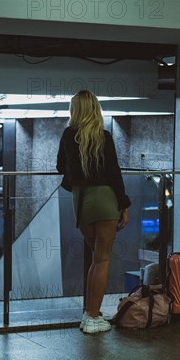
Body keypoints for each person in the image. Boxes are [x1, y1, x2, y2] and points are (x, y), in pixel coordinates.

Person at [57, 90, 131, 334]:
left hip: (81, 201)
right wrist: (124, 205)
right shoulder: (104, 136)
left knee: (95, 259)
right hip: (106, 199)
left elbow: (60, 167)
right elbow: (114, 173)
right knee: (102, 259)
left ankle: (91, 313)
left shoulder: (68, 135)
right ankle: (92, 316)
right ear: (94, 109)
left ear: (74, 110)